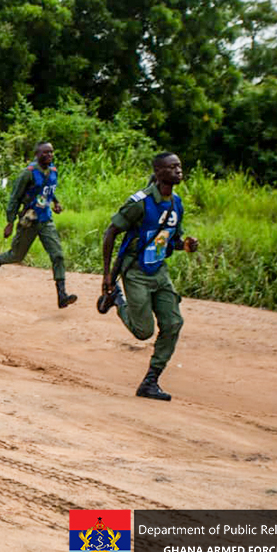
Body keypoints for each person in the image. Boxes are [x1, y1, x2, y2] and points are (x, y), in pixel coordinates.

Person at [100, 151, 199, 401]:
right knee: (143, 332)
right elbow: (110, 233)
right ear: (158, 172)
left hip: (159, 271)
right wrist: (107, 276)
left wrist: (185, 245)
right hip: (135, 272)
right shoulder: (140, 202)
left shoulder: (176, 204)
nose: (178, 171)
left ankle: (150, 381)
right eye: (172, 167)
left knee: (173, 323)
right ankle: (118, 301)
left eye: (179, 166)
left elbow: (171, 240)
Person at [0, 142, 77, 309]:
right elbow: (15, 197)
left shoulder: (53, 171)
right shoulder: (27, 174)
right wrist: (9, 222)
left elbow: (48, 189)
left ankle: (62, 294)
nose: (49, 155)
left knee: (57, 255)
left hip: (46, 219)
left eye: (51, 152)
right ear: (37, 154)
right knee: (17, 255)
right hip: (29, 220)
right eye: (45, 153)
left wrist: (56, 202)